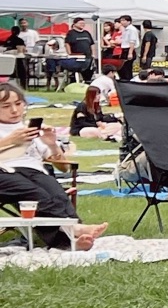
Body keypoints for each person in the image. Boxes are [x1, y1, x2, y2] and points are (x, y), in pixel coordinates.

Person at [0, 82, 107, 250]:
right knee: (36, 194)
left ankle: (69, 241)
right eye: (6, 106)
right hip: (4, 173)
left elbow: (63, 167)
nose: (14, 110)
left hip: (33, 171)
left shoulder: (29, 129)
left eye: (18, 104)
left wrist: (51, 144)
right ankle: (73, 229)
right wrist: (10, 140)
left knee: (54, 192)